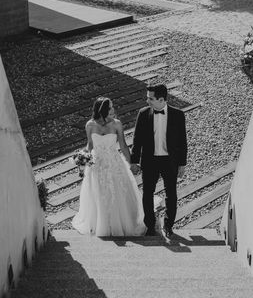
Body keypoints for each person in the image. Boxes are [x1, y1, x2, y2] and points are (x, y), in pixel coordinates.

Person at [72, 97, 146, 237]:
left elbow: (123, 145)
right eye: (110, 107)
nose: (113, 109)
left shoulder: (116, 124)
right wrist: (83, 157)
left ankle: (122, 223)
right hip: (96, 164)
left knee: (117, 192)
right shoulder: (90, 125)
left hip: (114, 163)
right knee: (98, 193)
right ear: (102, 110)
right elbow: (90, 144)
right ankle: (99, 224)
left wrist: (131, 163)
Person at [130, 83, 187, 238]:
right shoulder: (143, 113)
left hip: (170, 161)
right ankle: (150, 226)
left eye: (150, 98)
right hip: (150, 161)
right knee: (147, 193)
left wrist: (182, 163)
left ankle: (168, 226)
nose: (147, 101)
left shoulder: (178, 115)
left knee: (171, 194)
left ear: (161, 99)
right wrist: (134, 161)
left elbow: (182, 141)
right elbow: (137, 140)